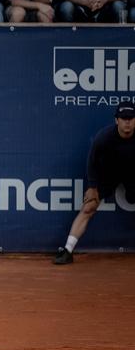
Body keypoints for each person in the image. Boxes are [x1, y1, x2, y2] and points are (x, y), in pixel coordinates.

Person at [54, 102, 135, 265]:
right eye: (123, 118)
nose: (127, 122)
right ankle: (68, 250)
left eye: (131, 118)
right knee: (89, 207)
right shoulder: (104, 137)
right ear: (116, 120)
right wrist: (92, 187)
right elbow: (91, 160)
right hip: (108, 175)